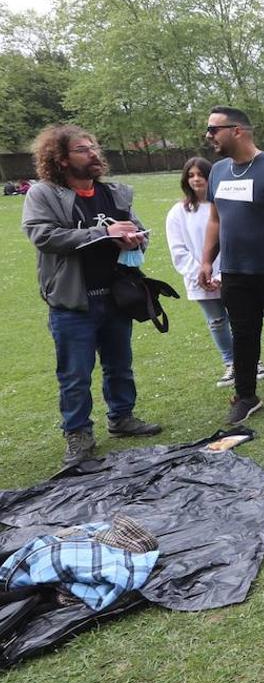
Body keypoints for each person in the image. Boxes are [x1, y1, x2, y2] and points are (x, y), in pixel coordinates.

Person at [22, 124, 162, 464]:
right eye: (83, 150)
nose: (94, 154)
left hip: (115, 296)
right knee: (75, 374)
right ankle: (78, 435)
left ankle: (122, 417)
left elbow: (135, 227)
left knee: (120, 364)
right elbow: (42, 235)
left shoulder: (113, 193)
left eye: (94, 147)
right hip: (73, 301)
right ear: (62, 159)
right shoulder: (44, 194)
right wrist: (102, 233)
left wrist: (136, 237)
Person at [199, 106, 264, 424]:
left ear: (237, 130)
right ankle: (246, 395)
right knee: (243, 333)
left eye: (213, 129)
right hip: (235, 271)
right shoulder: (217, 171)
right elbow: (215, 220)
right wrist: (207, 260)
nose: (209, 135)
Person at [166, 156, 264, 387]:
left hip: (232, 273)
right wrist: (200, 273)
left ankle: (252, 362)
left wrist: (223, 274)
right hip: (199, 279)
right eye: (191, 175)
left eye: (201, 174)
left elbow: (238, 240)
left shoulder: (226, 204)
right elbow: (178, 249)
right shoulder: (178, 212)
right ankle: (231, 363)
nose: (196, 179)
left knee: (241, 320)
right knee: (216, 321)